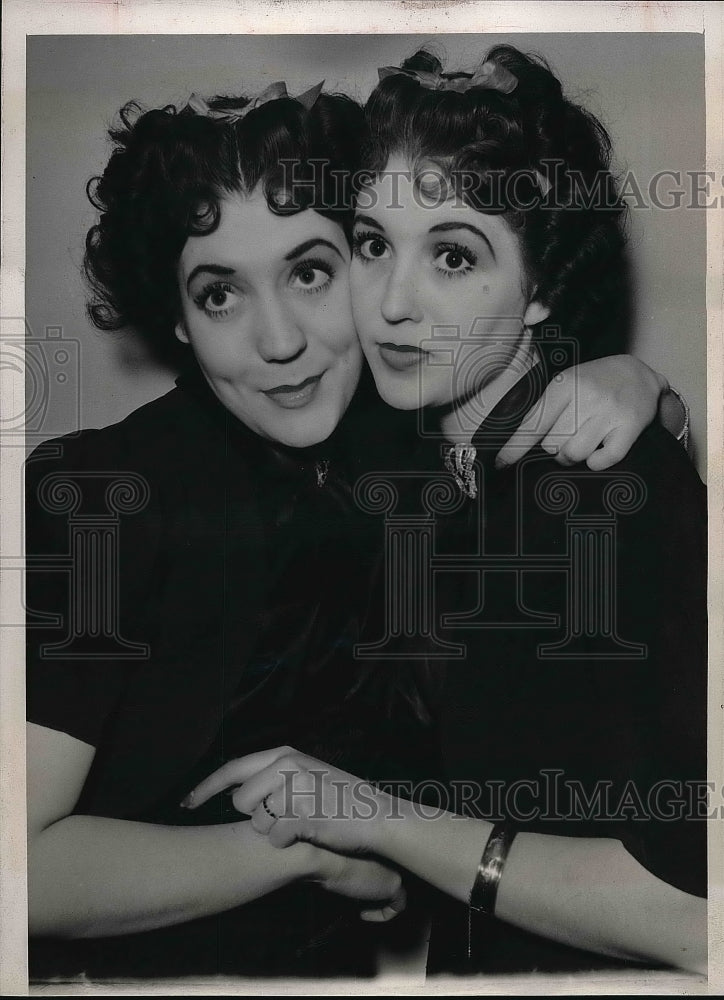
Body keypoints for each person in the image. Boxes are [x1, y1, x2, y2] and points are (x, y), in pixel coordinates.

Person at [26, 71, 686, 980]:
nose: (283, 340)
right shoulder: (109, 496)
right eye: (220, 293)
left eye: (310, 271)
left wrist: (640, 390)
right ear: (174, 317)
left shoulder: (410, 456)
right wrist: (307, 844)